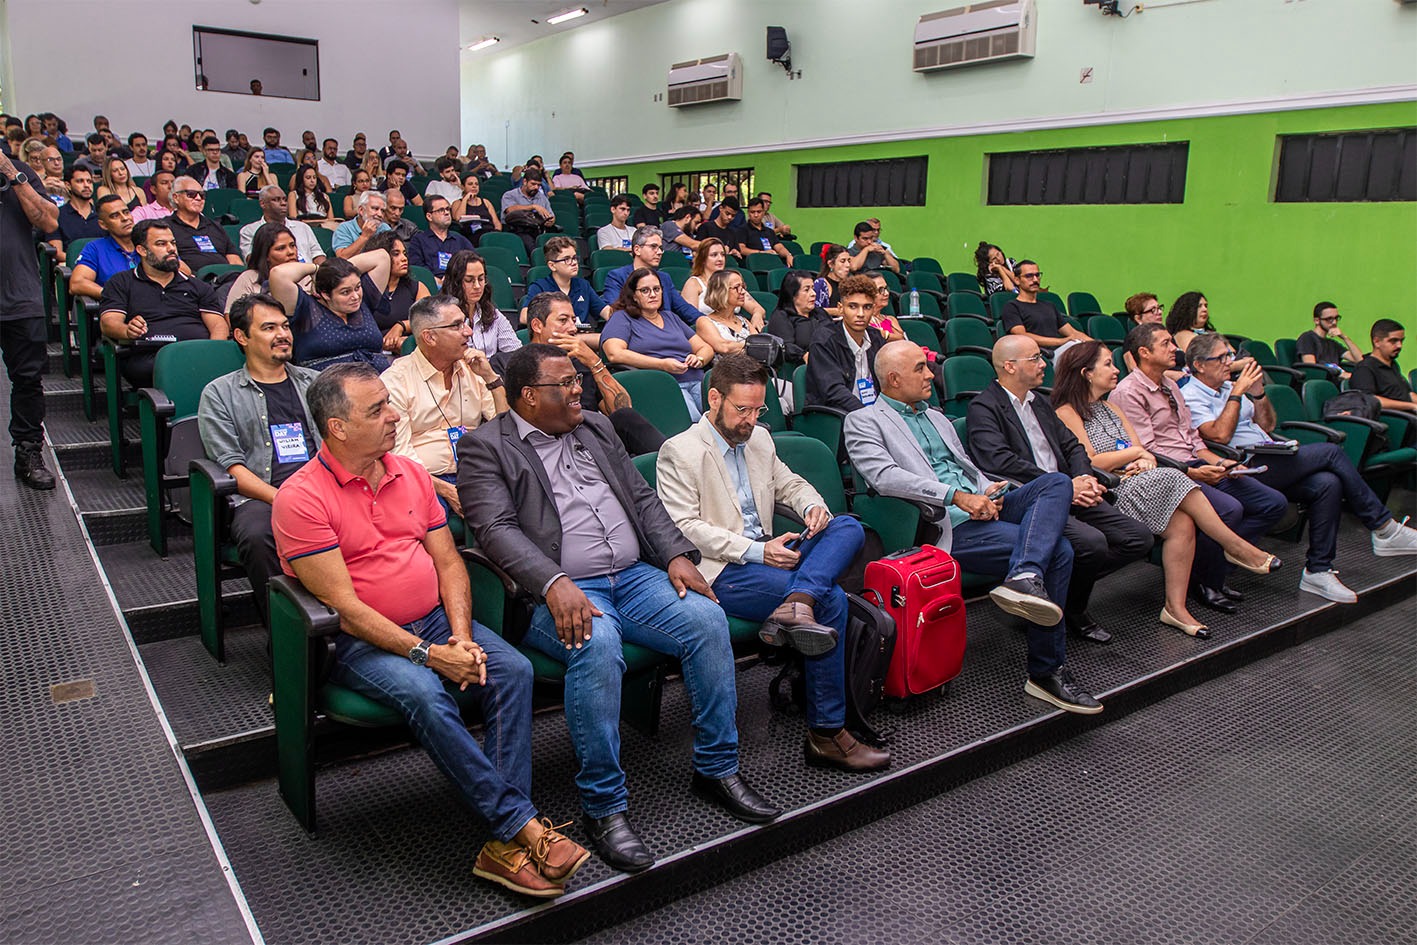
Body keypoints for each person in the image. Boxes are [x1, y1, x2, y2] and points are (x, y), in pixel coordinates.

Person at [459, 344, 781, 873]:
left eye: (576, 380)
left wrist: (677, 555)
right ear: (527, 397)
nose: (576, 389)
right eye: (563, 384)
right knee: (599, 642)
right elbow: (495, 531)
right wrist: (553, 580)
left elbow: (642, 499)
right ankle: (603, 807)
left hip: (632, 576)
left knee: (705, 619)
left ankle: (717, 769)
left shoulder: (595, 427)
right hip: (554, 591)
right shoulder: (485, 447)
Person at [272, 361, 588, 896]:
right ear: (338, 428)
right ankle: (523, 826)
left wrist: (461, 637)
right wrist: (429, 655)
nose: (394, 415)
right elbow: (344, 608)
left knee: (509, 669)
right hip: (360, 641)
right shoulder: (300, 498)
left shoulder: (411, 473)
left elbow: (448, 563)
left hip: (438, 620)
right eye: (377, 410)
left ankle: (502, 847)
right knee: (424, 691)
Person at [657, 354, 890, 771]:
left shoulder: (759, 438)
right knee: (832, 600)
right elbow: (684, 528)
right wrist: (757, 551)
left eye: (757, 409)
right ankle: (826, 733)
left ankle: (798, 598)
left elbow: (789, 483)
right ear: (714, 399)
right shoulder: (680, 451)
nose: (749, 419)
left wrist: (812, 507)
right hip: (726, 567)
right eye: (741, 409)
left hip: (774, 551)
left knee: (848, 526)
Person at [845, 340, 1102, 714]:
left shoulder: (936, 417)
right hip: (946, 524)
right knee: (1060, 551)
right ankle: (1046, 670)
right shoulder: (863, 421)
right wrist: (956, 497)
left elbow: (968, 468)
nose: (931, 374)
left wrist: (987, 489)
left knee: (1056, 482)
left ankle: (1025, 575)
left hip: (982, 507)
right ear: (894, 378)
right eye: (920, 368)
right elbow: (884, 478)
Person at [1052, 341, 1283, 637]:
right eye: (1108, 364)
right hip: (1110, 491)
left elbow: (1142, 450)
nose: (1116, 369)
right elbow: (1091, 460)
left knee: (1182, 523)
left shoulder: (1110, 406)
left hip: (1140, 480)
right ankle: (1235, 546)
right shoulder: (1067, 412)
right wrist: (1135, 457)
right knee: (1174, 477)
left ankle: (1175, 608)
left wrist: (1141, 459)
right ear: (1086, 373)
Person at [1181, 332, 1417, 601]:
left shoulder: (1227, 387)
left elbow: (1267, 425)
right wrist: (1237, 392)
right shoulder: (1192, 394)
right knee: (1330, 453)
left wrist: (1258, 394)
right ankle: (1383, 527)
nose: (1229, 362)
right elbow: (1219, 436)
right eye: (1221, 357)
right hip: (1240, 464)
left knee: (1327, 484)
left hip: (1268, 454)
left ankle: (1318, 570)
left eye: (1230, 355)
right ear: (1199, 364)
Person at [966, 335, 1154, 644]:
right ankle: (1073, 611)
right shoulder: (983, 407)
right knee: (1091, 543)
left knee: (1138, 538)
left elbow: (1073, 446)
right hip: (1035, 498)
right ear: (1010, 366)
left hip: (1071, 488)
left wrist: (1085, 478)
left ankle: (1058, 597)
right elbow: (999, 460)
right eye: (1036, 359)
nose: (1044, 365)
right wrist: (1067, 485)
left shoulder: (1040, 401)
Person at [1111, 323, 1283, 615]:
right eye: (1165, 343)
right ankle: (1207, 581)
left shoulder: (1170, 386)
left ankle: (1218, 563)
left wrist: (1217, 462)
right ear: (1144, 352)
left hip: (1195, 462)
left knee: (1271, 503)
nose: (1174, 349)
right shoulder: (1129, 393)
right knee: (1229, 509)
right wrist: (1194, 472)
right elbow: (1147, 451)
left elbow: (1191, 439)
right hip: (1168, 473)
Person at [197, 292, 320, 626]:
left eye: (284, 325)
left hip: (322, 487)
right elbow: (231, 466)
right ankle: (287, 634)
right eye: (268, 328)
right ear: (242, 336)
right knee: (256, 535)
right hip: (263, 494)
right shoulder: (220, 393)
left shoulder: (315, 383)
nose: (283, 334)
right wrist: (284, 499)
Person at [381, 295, 507, 517]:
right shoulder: (395, 381)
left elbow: (506, 428)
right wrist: (445, 489)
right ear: (429, 337)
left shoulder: (473, 369)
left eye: (465, 323)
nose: (468, 332)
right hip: (425, 479)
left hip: (477, 472)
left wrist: (491, 378)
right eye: (457, 326)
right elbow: (399, 455)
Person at [521, 292, 661, 456]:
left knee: (626, 417)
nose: (573, 328)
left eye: (573, 320)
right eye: (563, 320)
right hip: (551, 445)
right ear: (537, 325)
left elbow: (622, 408)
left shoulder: (583, 361)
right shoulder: (512, 364)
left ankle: (677, 461)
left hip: (594, 439)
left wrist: (595, 362)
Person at [97, 219, 230, 387]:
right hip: (150, 357)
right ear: (142, 250)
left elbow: (218, 326)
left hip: (196, 353)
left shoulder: (197, 286)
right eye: (161, 244)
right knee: (159, 369)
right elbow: (108, 323)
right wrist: (127, 330)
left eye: (173, 243)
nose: (171, 249)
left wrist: (211, 354)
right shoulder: (121, 283)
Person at [0, 140, 60, 489]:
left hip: (19, 295)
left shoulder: (18, 175)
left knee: (27, 381)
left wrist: (11, 172)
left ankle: (28, 453)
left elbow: (49, 221)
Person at [602, 268, 714, 419]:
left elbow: (705, 348)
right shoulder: (622, 318)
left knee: (725, 421)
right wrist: (661, 365)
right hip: (663, 385)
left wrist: (699, 359)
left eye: (656, 289)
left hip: (697, 380)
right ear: (634, 296)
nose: (653, 294)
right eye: (645, 290)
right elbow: (614, 353)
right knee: (695, 422)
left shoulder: (671, 317)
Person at [269, 250, 393, 372]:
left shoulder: (364, 301)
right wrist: (317, 269)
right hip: (329, 386)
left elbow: (381, 257)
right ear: (326, 295)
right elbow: (278, 274)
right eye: (345, 292)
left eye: (357, 287)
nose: (355, 296)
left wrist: (337, 269)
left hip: (377, 379)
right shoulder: (307, 309)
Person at [804, 274, 886, 412]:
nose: (860, 314)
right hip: (837, 416)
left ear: (873, 309)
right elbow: (834, 392)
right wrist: (869, 415)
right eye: (853, 306)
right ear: (841, 308)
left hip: (874, 413)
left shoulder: (876, 337)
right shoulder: (824, 340)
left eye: (866, 307)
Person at [600, 227, 703, 326]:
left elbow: (684, 308)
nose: (659, 252)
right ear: (637, 250)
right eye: (653, 247)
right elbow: (617, 311)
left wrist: (707, 321)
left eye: (661, 248)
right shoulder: (617, 276)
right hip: (635, 332)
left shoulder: (664, 278)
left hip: (666, 331)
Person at [1003, 260, 1091, 360]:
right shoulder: (1012, 306)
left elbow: (1073, 333)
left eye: (1037, 275)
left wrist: (1099, 346)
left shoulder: (1049, 306)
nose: (1035, 280)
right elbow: (1022, 336)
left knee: (1094, 352)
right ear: (1017, 280)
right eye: (1029, 276)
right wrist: (1062, 341)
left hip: (1060, 352)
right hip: (1039, 357)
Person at [521, 235, 610, 331]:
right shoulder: (540, 287)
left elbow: (606, 312)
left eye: (575, 258)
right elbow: (524, 317)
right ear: (552, 266)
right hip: (555, 338)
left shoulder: (583, 285)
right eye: (567, 259)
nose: (574, 262)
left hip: (581, 338)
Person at [362, 231, 431, 352]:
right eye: (396, 254)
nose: (404, 258)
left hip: (409, 349)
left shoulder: (416, 287)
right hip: (372, 351)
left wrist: (401, 326)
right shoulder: (365, 288)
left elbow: (429, 319)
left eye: (404, 254)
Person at [442, 250, 520, 356]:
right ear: (455, 283)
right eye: (469, 280)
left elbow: (516, 353)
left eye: (481, 279)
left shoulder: (494, 314)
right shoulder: (443, 318)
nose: (477, 286)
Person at [69, 196, 140, 301]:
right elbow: (77, 283)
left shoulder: (147, 244)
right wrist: (112, 295)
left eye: (126, 212)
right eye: (115, 216)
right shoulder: (95, 248)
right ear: (103, 225)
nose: (125, 218)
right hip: (118, 310)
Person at [166, 177, 243, 275]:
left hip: (225, 280)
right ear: (176, 197)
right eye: (191, 194)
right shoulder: (165, 227)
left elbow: (234, 261)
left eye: (202, 195)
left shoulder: (215, 227)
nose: (198, 198)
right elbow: (170, 261)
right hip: (191, 282)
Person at [239, 185, 325, 264]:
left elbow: (318, 254)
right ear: (262, 203)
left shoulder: (303, 227)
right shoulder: (249, 231)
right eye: (276, 200)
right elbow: (252, 261)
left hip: (308, 276)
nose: (283, 203)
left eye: (285, 199)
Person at [1348, 318, 1416, 411]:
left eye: (1401, 341)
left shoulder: (1393, 364)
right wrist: (1411, 406)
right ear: (1377, 342)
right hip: (1394, 420)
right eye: (1393, 341)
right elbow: (1369, 400)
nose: (1399, 345)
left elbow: (1408, 394)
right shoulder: (1364, 369)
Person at [766, 270, 833, 364]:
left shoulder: (819, 313)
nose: (813, 293)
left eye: (813, 288)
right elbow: (786, 346)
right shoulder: (781, 317)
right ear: (792, 294)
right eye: (807, 289)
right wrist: (803, 355)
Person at [695, 270, 762, 356]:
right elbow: (724, 347)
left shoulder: (743, 321)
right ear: (721, 291)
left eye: (743, 287)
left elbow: (760, 344)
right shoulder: (704, 321)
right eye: (736, 287)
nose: (743, 292)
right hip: (727, 368)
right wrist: (753, 346)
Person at [407, 195, 473, 281]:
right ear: (429, 216)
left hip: (458, 284)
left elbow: (474, 261)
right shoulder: (419, 240)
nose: (446, 213)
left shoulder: (460, 240)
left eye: (447, 209)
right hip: (432, 285)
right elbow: (417, 268)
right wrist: (434, 280)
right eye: (441, 210)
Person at [45, 165, 102, 262]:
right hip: (72, 268)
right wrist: (85, 263)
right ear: (68, 185)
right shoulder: (58, 215)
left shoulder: (102, 214)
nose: (86, 185)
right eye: (80, 181)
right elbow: (57, 252)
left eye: (89, 181)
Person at [1295, 301, 1364, 376]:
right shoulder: (1307, 338)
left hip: (1335, 380)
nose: (1334, 322)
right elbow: (1311, 368)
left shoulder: (1333, 344)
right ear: (1317, 321)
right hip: (1321, 381)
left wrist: (1344, 337)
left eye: (1336, 318)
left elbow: (1360, 360)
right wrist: (1341, 374)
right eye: (1329, 319)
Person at [500, 166, 556, 254]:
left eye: (538, 185)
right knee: (532, 246)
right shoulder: (510, 195)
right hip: (517, 230)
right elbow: (510, 210)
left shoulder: (542, 198)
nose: (536, 187)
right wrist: (533, 206)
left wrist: (551, 221)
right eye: (533, 184)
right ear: (525, 181)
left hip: (539, 230)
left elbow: (551, 216)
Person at [331, 191, 391, 259]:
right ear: (361, 210)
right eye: (375, 208)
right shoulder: (344, 228)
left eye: (383, 211)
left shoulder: (384, 228)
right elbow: (342, 257)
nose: (380, 215)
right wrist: (364, 237)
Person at [736, 198, 792, 264]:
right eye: (752, 212)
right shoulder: (742, 230)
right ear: (748, 213)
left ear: (763, 213)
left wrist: (788, 255)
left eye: (759, 212)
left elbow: (779, 248)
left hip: (772, 262)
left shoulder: (770, 232)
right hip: (754, 264)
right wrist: (761, 253)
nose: (756, 215)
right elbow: (742, 249)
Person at [451, 172, 501, 244]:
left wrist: (496, 234)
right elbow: (458, 218)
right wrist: (465, 199)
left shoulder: (486, 202)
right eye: (470, 184)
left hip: (489, 233)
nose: (474, 186)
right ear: (463, 187)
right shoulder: (457, 203)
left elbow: (497, 223)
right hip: (470, 235)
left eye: (476, 184)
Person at [1164, 291, 1212, 356]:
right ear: (1187, 310)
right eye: (1199, 306)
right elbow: (1200, 357)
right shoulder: (1183, 335)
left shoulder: (1211, 333)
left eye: (1206, 306)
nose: (1205, 309)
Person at [863, 272, 906, 342]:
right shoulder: (862, 321)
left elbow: (902, 339)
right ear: (867, 293)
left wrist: (884, 334)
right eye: (880, 290)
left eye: (886, 288)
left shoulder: (891, 319)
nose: (886, 293)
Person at [813, 245, 852, 318]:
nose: (847, 265)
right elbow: (813, 310)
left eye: (849, 261)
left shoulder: (850, 284)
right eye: (842, 261)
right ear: (831, 264)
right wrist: (835, 311)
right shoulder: (821, 283)